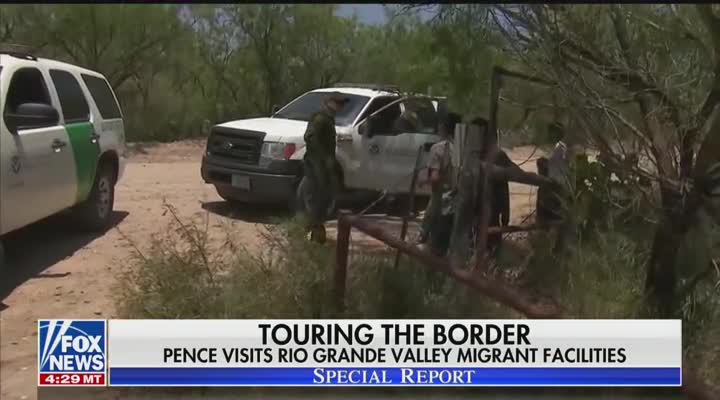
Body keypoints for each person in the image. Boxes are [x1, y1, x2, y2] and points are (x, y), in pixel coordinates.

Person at [301, 93, 349, 243]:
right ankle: (313, 236)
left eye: (341, 104)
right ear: (328, 102)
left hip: (322, 167)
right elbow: (310, 137)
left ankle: (316, 236)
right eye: (337, 103)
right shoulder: (320, 118)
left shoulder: (328, 119)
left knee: (322, 201)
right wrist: (322, 159)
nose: (340, 106)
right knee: (315, 201)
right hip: (316, 166)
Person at [417, 112, 462, 256]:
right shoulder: (464, 149)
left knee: (430, 239)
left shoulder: (438, 148)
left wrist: (422, 180)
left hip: (441, 200)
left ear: (443, 127)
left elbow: (435, 177)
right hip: (460, 199)